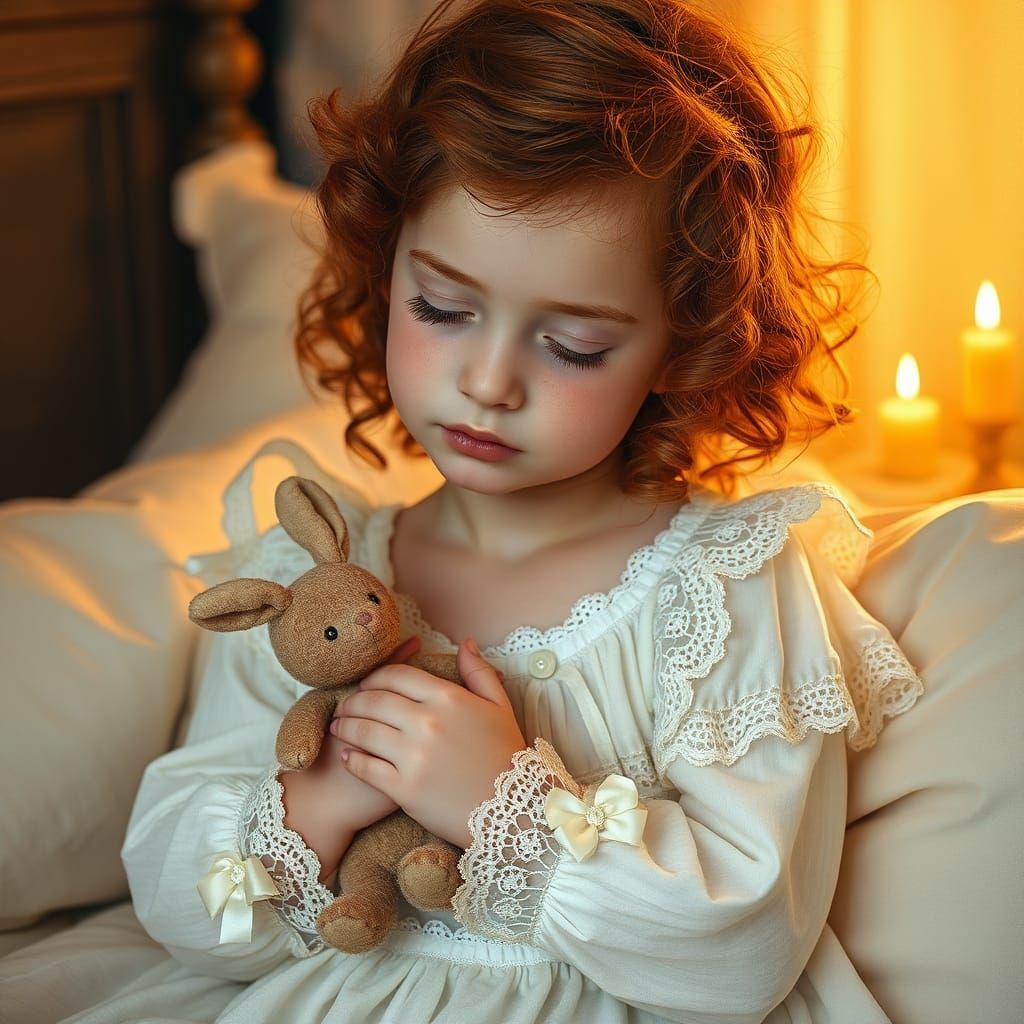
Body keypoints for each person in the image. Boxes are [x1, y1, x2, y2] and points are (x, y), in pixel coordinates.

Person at [117, 1, 924, 1021]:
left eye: (573, 345)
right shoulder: (304, 574)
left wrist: (503, 804)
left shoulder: (720, 588)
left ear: (684, 341)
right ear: (385, 264)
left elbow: (744, 947)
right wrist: (322, 800)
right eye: (443, 308)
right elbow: (181, 904)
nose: (489, 381)